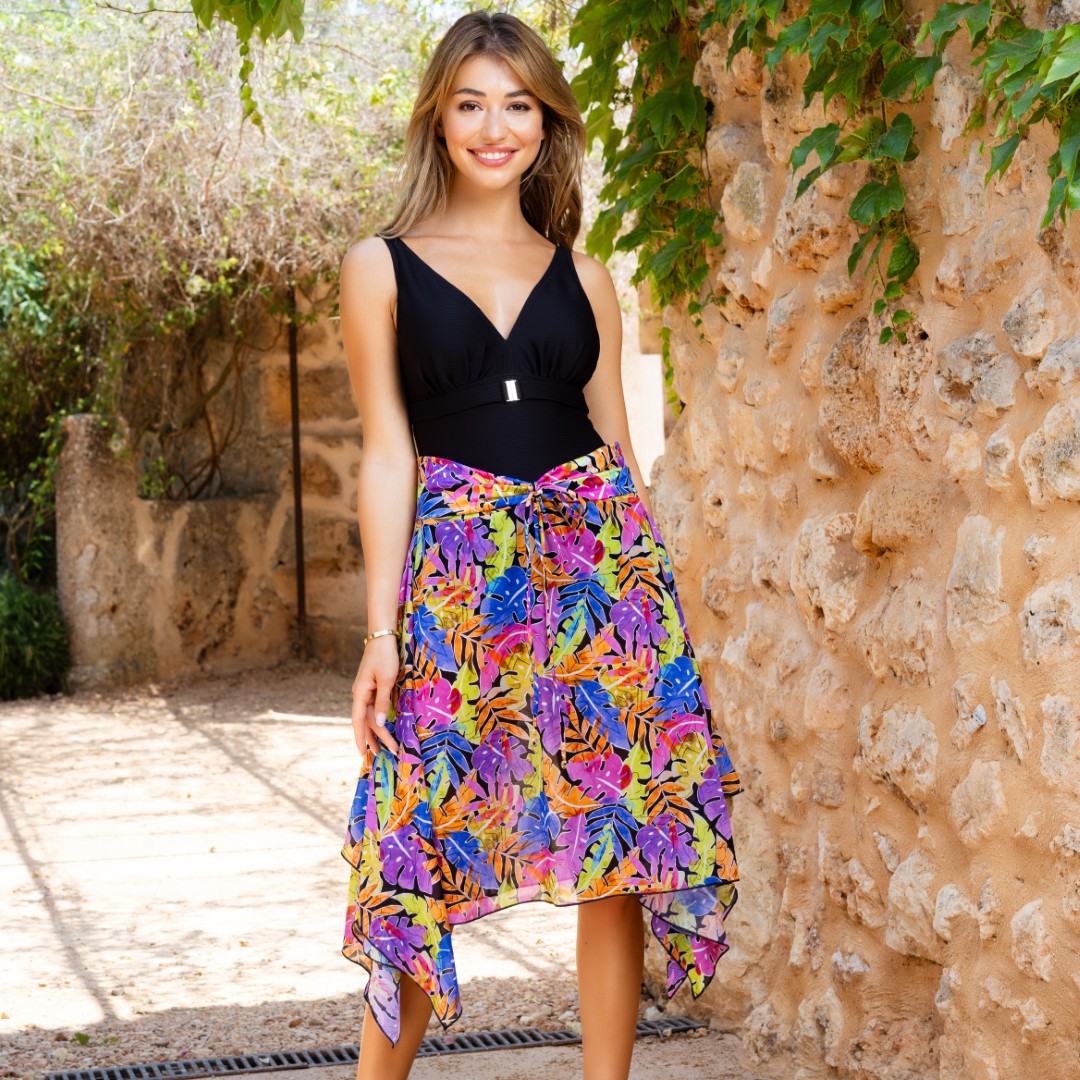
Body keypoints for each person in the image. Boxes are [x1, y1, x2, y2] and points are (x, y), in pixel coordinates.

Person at [336, 11, 742, 1080]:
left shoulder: (587, 276)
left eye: (517, 104)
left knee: (615, 845)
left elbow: (620, 452)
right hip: (457, 586)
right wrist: (380, 633)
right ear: (438, 118)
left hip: (600, 580)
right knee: (418, 846)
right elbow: (388, 454)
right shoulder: (379, 266)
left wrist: (663, 625)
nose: (494, 126)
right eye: (470, 103)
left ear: (546, 122)